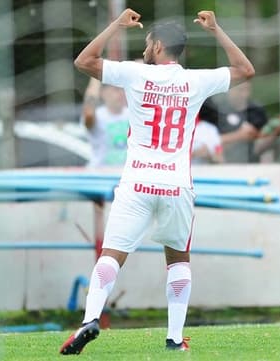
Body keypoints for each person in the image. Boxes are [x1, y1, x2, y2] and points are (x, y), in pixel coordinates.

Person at [60, 8, 254, 355]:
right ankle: (174, 339)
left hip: (136, 183)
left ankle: (90, 318)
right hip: (176, 186)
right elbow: (246, 70)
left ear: (159, 45)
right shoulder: (196, 80)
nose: (146, 48)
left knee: (111, 256)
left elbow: (84, 61)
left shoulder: (135, 74)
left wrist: (116, 26)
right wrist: (217, 30)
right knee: (178, 260)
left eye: (149, 43)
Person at [198, 81, 267, 163]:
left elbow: (262, 138)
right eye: (240, 90)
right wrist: (239, 135)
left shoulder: (256, 111)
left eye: (247, 90)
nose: (244, 94)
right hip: (221, 164)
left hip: (251, 164)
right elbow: (206, 143)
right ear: (229, 89)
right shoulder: (214, 110)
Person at [82, 77, 130, 167]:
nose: (121, 93)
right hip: (100, 175)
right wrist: (96, 75)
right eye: (116, 89)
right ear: (103, 93)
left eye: (123, 89)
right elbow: (88, 114)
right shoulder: (97, 116)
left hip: (126, 176)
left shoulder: (132, 114)